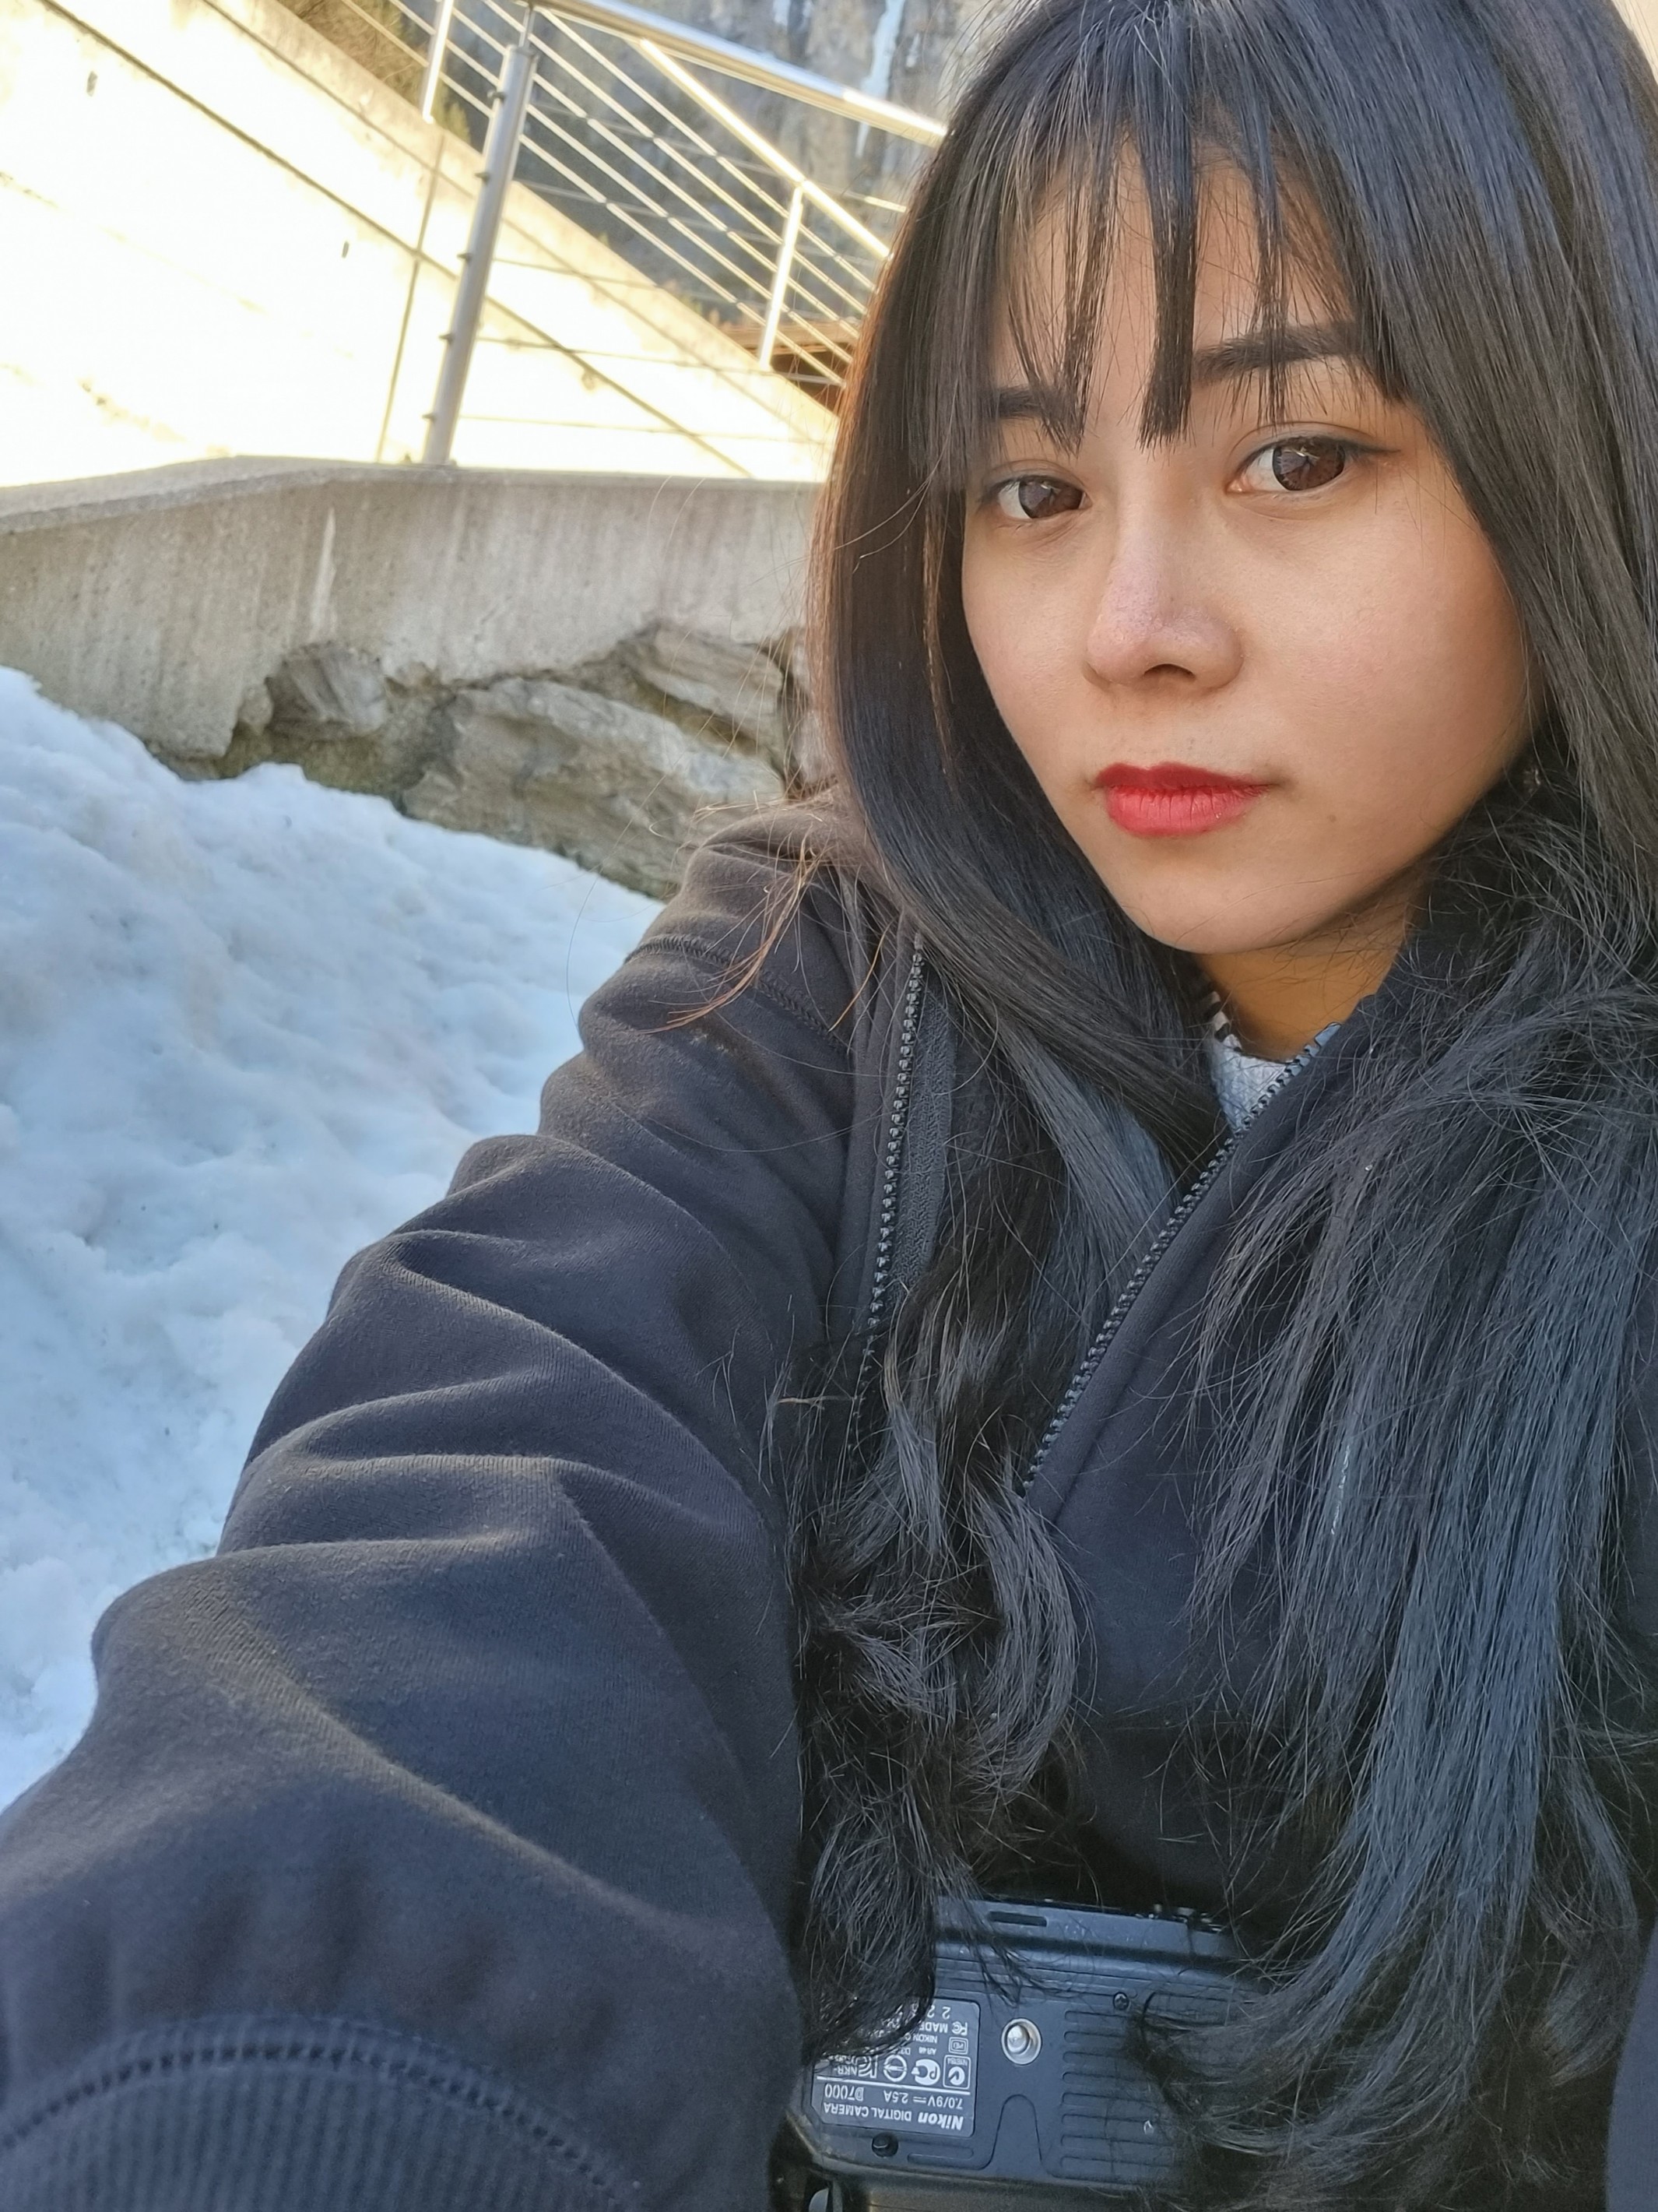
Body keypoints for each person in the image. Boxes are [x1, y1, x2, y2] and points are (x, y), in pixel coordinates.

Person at [4, 0, 1658, 2203]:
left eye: (1296, 458)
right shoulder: (826, 983)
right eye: (1032, 489)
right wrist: (287, 2072)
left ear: (1578, 436)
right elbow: (497, 1488)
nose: (1128, 628)